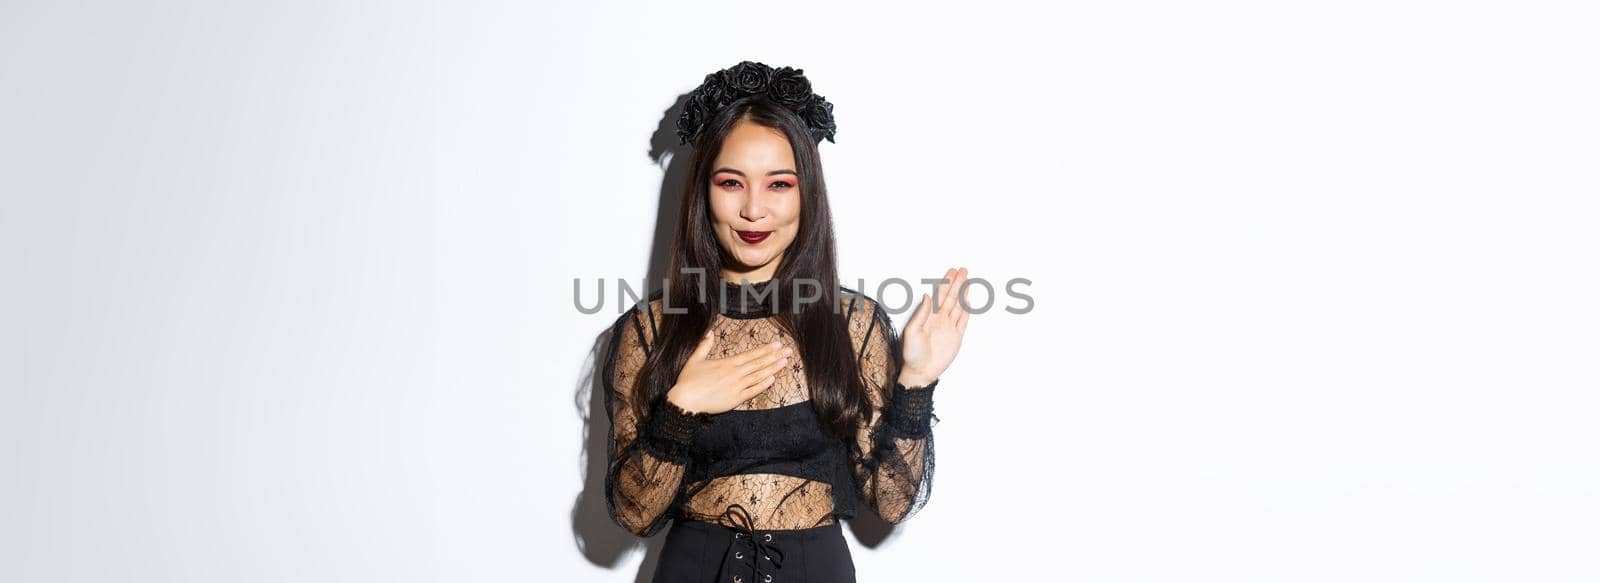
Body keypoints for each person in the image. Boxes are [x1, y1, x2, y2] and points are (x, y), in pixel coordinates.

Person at [602, 61, 971, 583]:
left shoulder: (854, 324)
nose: (754, 210)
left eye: (779, 184)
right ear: (704, 192)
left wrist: (915, 383)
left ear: (806, 194)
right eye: (732, 182)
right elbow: (634, 514)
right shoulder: (652, 329)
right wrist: (680, 409)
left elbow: (890, 502)